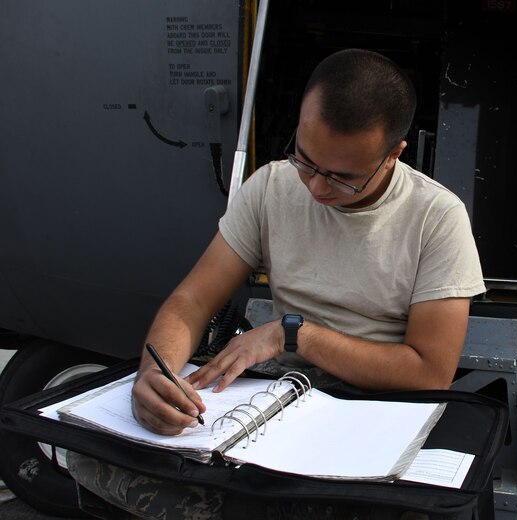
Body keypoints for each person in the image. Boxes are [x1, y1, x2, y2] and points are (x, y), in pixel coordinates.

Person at [67, 48, 486, 519]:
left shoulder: (437, 218)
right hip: (276, 398)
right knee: (90, 453)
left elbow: (430, 372)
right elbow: (192, 300)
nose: (316, 188)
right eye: (306, 160)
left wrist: (293, 333)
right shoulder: (272, 186)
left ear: (394, 154)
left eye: (344, 178)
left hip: (370, 413)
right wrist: (155, 373)